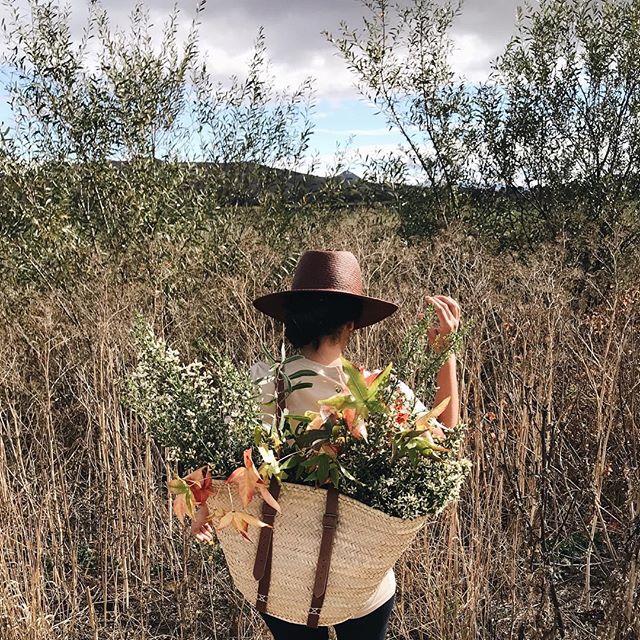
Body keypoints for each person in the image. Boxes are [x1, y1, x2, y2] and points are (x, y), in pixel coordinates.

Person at [192, 250, 461, 640]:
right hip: (360, 580)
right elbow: (445, 446)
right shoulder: (377, 390)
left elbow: (214, 460)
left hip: (279, 577)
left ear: (292, 320)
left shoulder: (261, 382)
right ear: (352, 323)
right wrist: (445, 358)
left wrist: (203, 507)